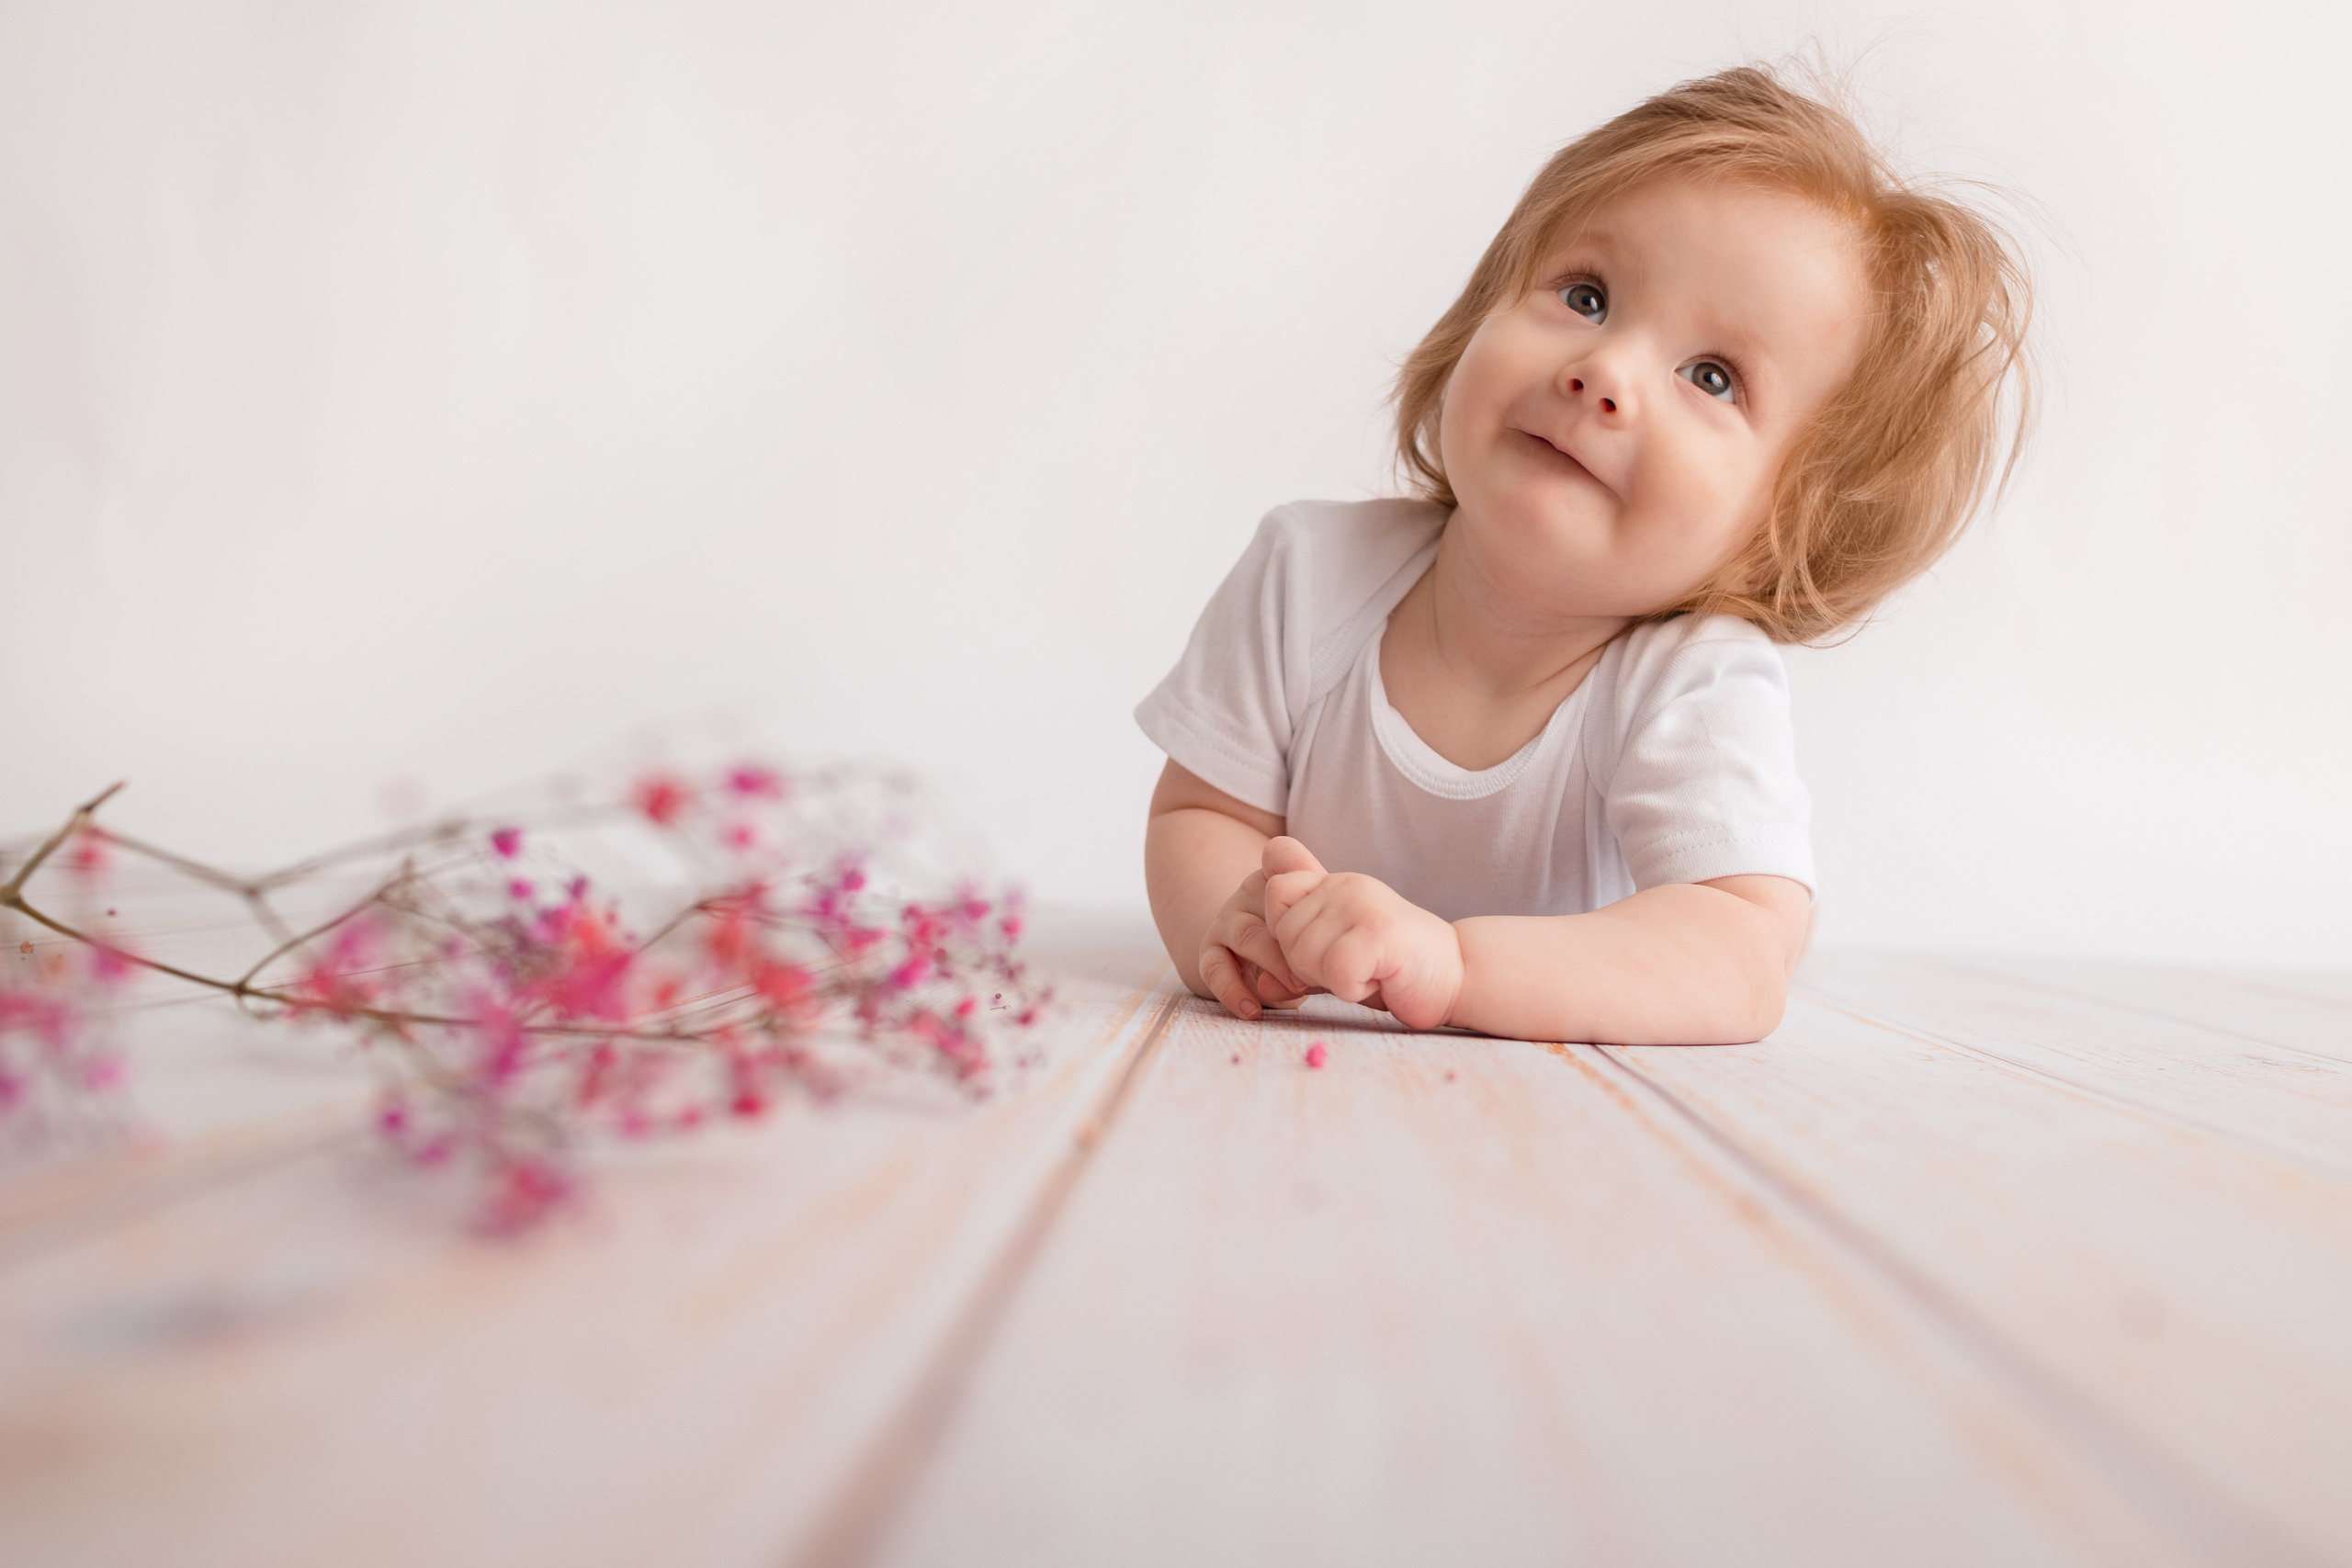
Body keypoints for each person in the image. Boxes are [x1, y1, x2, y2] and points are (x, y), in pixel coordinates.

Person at [1136, 65, 2031, 1045]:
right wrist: (1229, 925)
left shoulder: (1690, 684)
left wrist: (1454, 965)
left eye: (1711, 376)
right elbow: (1200, 814)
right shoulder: (1304, 574)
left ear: (1785, 529)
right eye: (1587, 296)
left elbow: (1736, 956)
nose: (1602, 371)